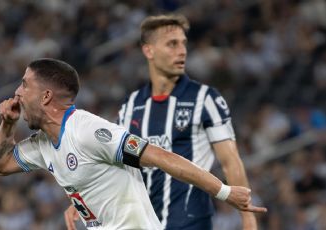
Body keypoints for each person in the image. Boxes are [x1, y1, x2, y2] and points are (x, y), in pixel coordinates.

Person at [0, 58, 266, 230]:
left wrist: (223, 192)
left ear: (46, 96)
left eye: (25, 85)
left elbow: (160, 157)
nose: (17, 92)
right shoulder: (42, 144)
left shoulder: (88, 130)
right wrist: (8, 124)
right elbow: (0, 165)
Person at [63, 14, 260, 229]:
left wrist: (248, 217)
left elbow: (230, 160)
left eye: (184, 44)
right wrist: (86, 199)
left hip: (191, 222)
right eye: (172, 44)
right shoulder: (132, 105)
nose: (182, 51)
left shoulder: (205, 99)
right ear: (149, 51)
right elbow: (116, 161)